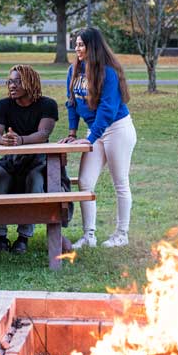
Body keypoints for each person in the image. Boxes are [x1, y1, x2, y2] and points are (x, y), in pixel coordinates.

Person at [60, 27, 137, 248]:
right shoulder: (73, 70)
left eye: (81, 44)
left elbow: (107, 109)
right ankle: (89, 236)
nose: (77, 48)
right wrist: (73, 132)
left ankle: (122, 234)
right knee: (85, 181)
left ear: (92, 46)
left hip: (117, 129)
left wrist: (91, 138)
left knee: (120, 181)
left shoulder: (108, 72)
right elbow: (71, 102)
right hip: (95, 132)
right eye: (76, 44)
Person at [0, 64, 58, 254]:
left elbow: (43, 133)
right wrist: (3, 140)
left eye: (17, 81)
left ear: (30, 83)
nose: (12, 85)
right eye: (10, 81)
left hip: (37, 160)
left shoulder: (47, 104)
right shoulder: (2, 105)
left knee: (35, 181)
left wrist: (21, 140)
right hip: (12, 159)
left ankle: (23, 237)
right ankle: (1, 237)